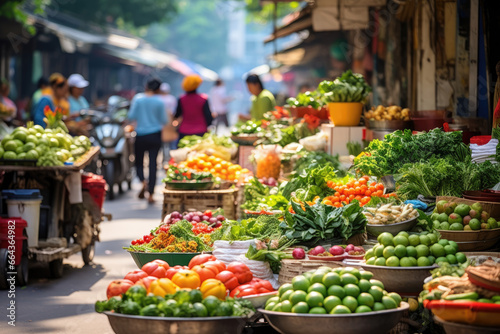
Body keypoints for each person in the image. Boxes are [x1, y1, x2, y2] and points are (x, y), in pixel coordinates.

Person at [127, 78, 167, 204]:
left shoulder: (138, 99)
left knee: (138, 162)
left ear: (146, 86)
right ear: (159, 89)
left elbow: (131, 116)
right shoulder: (160, 102)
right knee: (153, 164)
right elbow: (164, 120)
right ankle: (150, 194)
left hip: (140, 135)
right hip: (155, 135)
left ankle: (143, 181)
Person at [174, 74, 213, 139]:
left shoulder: (181, 99)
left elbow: (177, 114)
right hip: (200, 130)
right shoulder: (203, 99)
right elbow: (208, 116)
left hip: (184, 131)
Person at [157, 83, 178, 162]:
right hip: (169, 124)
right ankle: (170, 160)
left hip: (159, 125)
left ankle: (164, 160)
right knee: (171, 144)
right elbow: (174, 112)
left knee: (162, 144)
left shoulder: (157, 98)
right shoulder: (171, 99)